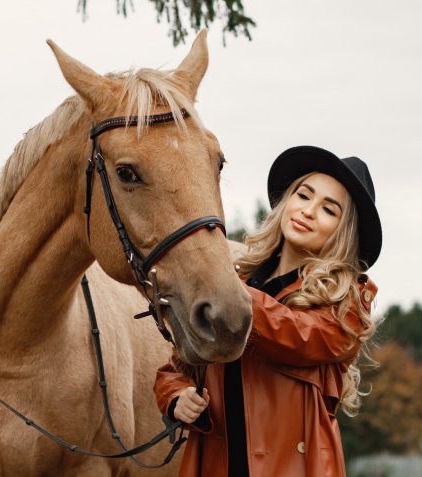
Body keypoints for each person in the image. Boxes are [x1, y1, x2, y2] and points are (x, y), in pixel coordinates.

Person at [154, 145, 383, 476]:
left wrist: (229, 291)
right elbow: (177, 366)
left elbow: (299, 336)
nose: (308, 211)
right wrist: (178, 396)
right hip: (217, 464)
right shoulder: (238, 281)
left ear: (344, 232)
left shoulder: (346, 303)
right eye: (303, 195)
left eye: (328, 210)